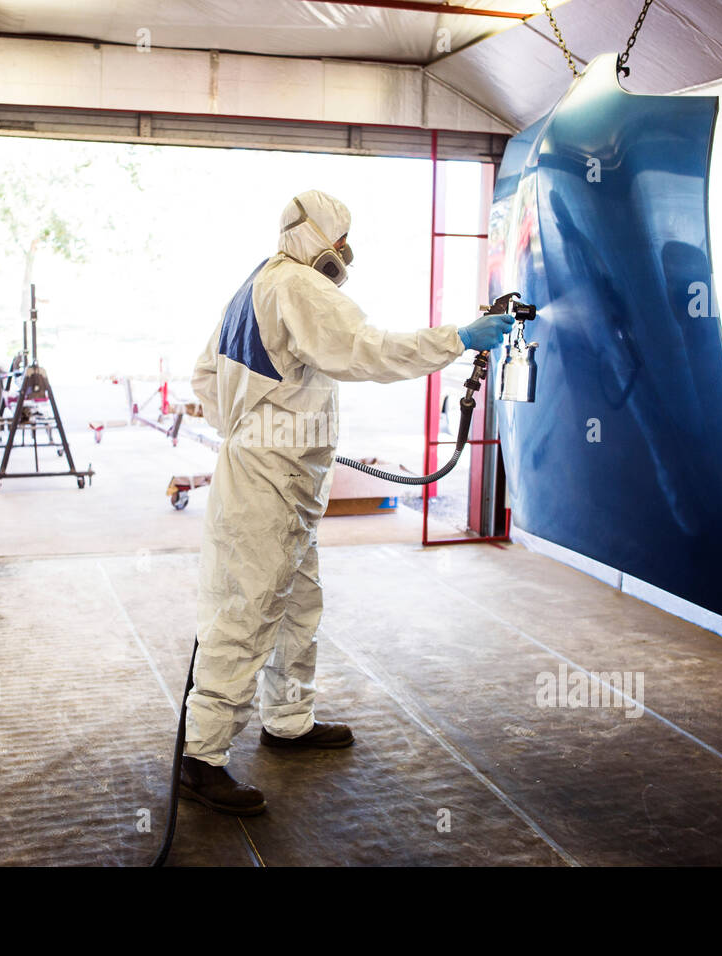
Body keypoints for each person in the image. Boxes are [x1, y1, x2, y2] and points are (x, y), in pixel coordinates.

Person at [182, 189, 518, 815]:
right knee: (248, 610)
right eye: (342, 238)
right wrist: (458, 338)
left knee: (296, 605)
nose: (346, 253)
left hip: (275, 474)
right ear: (321, 239)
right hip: (270, 483)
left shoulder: (256, 282)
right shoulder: (303, 288)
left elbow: (205, 377)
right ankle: (202, 758)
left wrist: (258, 426)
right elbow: (368, 349)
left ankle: (287, 720)